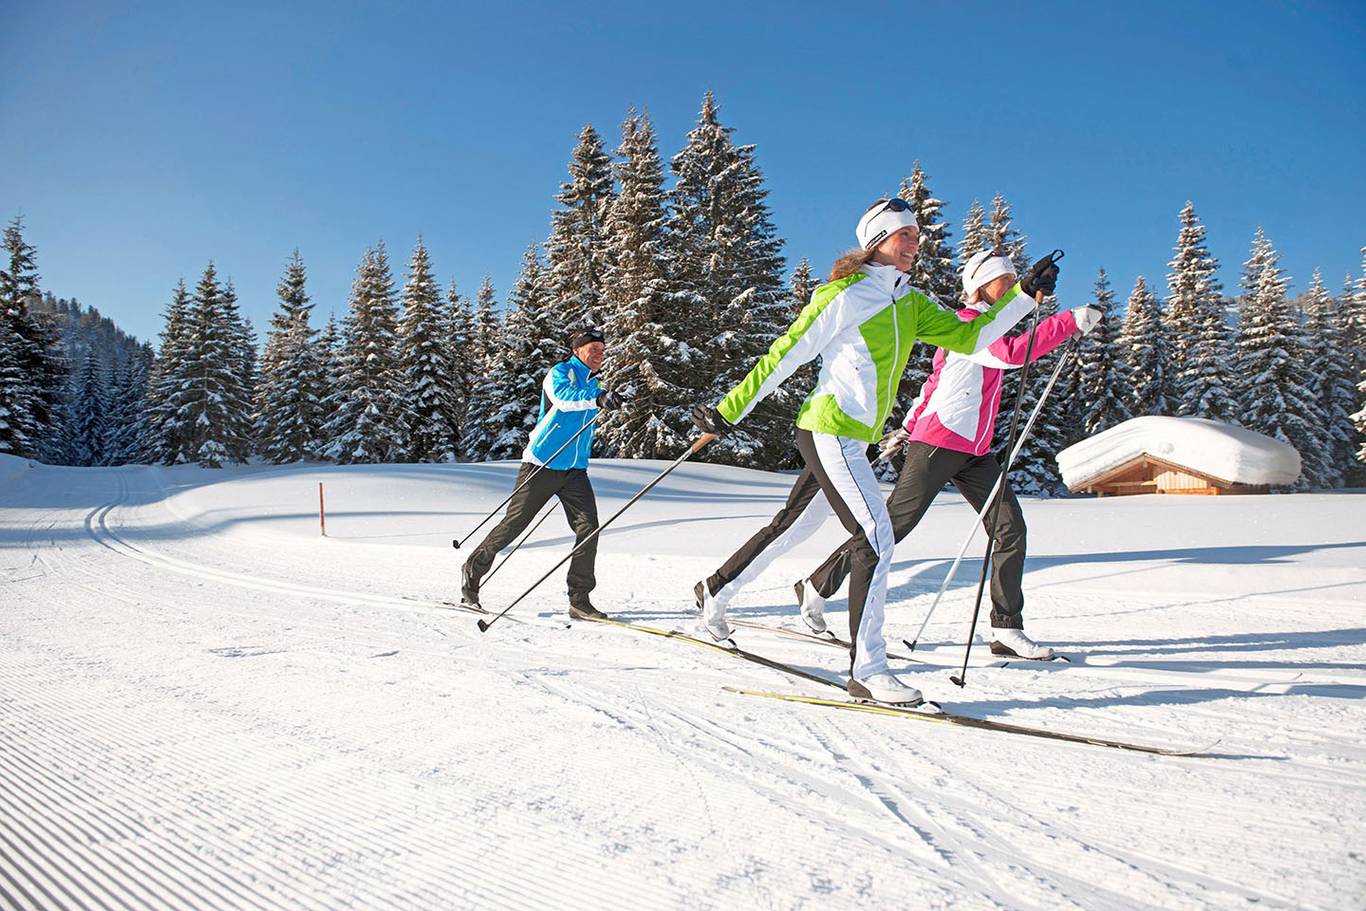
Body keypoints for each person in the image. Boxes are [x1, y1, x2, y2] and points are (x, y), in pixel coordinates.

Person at [691, 197, 1059, 704]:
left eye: (916, 236)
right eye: (903, 235)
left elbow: (973, 336)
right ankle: (867, 668)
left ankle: (717, 588)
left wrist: (1022, 297)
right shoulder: (844, 295)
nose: (914, 244)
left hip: (851, 439)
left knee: (796, 526)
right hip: (830, 429)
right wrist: (728, 410)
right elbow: (788, 351)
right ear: (877, 241)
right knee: (877, 537)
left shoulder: (911, 303)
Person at [794, 248, 1103, 659]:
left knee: (1010, 527)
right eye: (1004, 282)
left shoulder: (991, 327)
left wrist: (906, 424)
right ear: (979, 287)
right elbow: (1010, 356)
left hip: (976, 450)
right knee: (891, 528)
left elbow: (933, 384)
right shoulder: (966, 325)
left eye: (1014, 282)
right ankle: (818, 585)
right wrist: (1067, 322)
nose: (1011, 287)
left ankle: (1007, 627)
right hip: (938, 444)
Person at [461, 327, 623, 621]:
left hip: (574, 471)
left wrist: (604, 397)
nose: (600, 355)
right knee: (513, 526)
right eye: (593, 349)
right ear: (577, 350)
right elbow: (564, 399)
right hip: (541, 465)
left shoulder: (594, 383)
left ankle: (580, 599)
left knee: (589, 527)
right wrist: (599, 397)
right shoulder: (560, 373)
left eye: (602, 350)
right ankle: (472, 572)